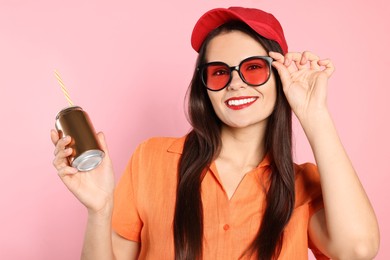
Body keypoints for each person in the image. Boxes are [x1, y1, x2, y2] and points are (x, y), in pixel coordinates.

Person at [51, 6, 380, 260]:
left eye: (253, 67)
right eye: (219, 72)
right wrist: (99, 209)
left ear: (280, 77)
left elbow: (359, 250)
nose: (236, 82)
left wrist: (314, 114)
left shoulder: (303, 185)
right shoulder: (151, 159)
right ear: (204, 88)